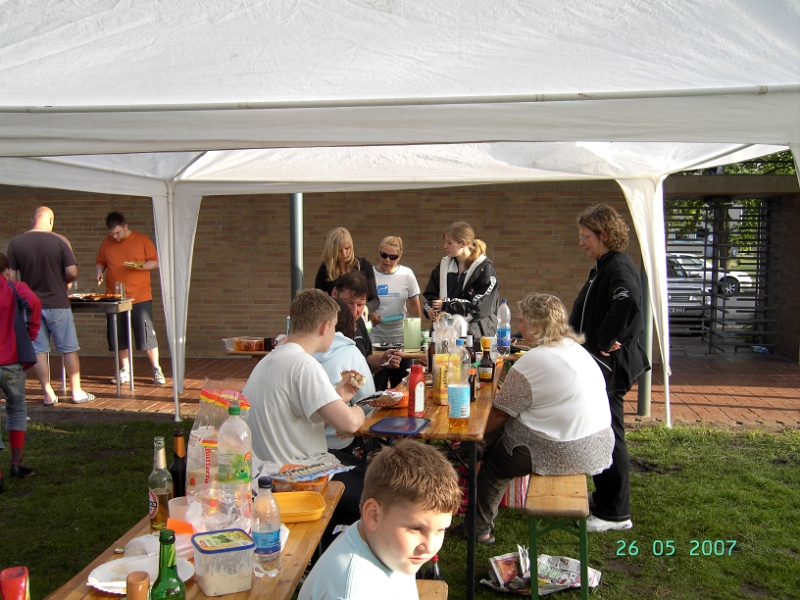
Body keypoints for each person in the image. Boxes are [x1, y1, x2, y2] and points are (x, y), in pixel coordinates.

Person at [460, 292, 614, 544]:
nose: (519, 328)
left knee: (496, 464)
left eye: (522, 321)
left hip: (567, 450)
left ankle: (478, 529)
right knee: (508, 427)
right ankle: (471, 452)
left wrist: (473, 435)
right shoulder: (576, 349)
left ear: (535, 325)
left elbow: (500, 412)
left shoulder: (534, 359)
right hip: (597, 445)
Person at [568, 204, 650, 532]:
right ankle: (604, 499)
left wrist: (605, 338)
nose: (581, 243)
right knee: (602, 432)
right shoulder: (608, 265)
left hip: (610, 366)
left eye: (585, 237)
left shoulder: (617, 265)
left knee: (610, 435)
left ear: (603, 235)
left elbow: (628, 300)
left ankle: (615, 513)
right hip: (602, 364)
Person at [299, 439, 461, 600]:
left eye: (440, 530)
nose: (429, 547)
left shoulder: (388, 548)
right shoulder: (352, 591)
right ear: (373, 515)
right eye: (416, 529)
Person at [242, 289, 365, 467]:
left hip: (268, 471)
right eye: (334, 326)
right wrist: (359, 410)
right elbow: (350, 424)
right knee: (375, 477)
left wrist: (337, 397)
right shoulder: (304, 364)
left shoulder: (268, 360)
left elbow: (299, 429)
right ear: (325, 327)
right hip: (301, 474)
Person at [6, 206, 95, 405]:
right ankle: (76, 392)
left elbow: (10, 277)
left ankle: (48, 394)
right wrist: (65, 282)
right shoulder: (60, 241)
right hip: (58, 303)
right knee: (69, 348)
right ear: (51, 221)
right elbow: (72, 272)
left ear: (32, 221)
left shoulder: (16, 243)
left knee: (39, 350)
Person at [314, 297, 377, 519]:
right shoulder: (350, 353)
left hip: (306, 447)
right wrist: (352, 413)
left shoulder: (296, 356)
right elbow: (368, 402)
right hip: (335, 445)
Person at [95, 211, 166, 385]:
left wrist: (141, 266)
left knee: (146, 334)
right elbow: (100, 262)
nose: (115, 236)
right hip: (115, 297)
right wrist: (99, 272)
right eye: (112, 233)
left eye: (117, 232)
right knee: (119, 335)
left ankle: (156, 369)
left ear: (125, 226)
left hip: (140, 296)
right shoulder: (107, 243)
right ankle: (125, 370)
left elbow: (155, 261)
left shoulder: (142, 240)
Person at [0, 254, 42, 491]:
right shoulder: (15, 288)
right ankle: (17, 463)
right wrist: (31, 334)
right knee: (16, 408)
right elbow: (34, 302)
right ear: (7, 271)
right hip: (12, 362)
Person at [422, 221, 499, 340]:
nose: (445, 246)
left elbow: (480, 308)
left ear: (462, 244)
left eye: (449, 243)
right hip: (444, 335)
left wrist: (447, 305)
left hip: (476, 337)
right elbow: (429, 297)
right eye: (445, 242)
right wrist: (430, 310)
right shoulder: (442, 267)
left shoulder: (484, 269)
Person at [331, 272, 403, 384]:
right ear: (334, 293)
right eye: (348, 303)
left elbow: (367, 359)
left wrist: (382, 360)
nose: (354, 312)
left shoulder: (360, 321)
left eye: (360, 305)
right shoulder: (325, 325)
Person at [370, 236, 422, 389]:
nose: (387, 260)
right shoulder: (370, 274)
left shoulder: (407, 274)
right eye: (384, 255)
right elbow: (362, 303)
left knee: (402, 388)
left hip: (401, 340)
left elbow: (415, 305)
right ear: (378, 253)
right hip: (376, 341)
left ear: (399, 257)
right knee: (377, 390)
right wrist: (370, 313)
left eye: (393, 257)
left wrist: (416, 335)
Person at [314, 227, 380, 313]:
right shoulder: (325, 269)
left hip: (360, 316)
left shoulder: (364, 266)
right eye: (339, 250)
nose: (344, 253)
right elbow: (317, 300)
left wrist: (365, 308)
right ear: (332, 250)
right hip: (337, 317)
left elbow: (375, 300)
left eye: (347, 248)